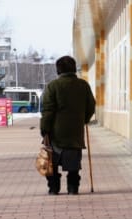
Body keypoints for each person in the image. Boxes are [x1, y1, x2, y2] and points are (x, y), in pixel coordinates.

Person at [40, 55, 96, 195]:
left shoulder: (53, 86)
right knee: (73, 163)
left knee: (52, 162)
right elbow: (91, 106)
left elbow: (48, 110)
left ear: (58, 70)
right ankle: (73, 188)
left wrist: (44, 129)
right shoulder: (83, 85)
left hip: (55, 133)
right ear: (73, 68)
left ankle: (54, 188)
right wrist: (83, 119)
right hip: (75, 132)